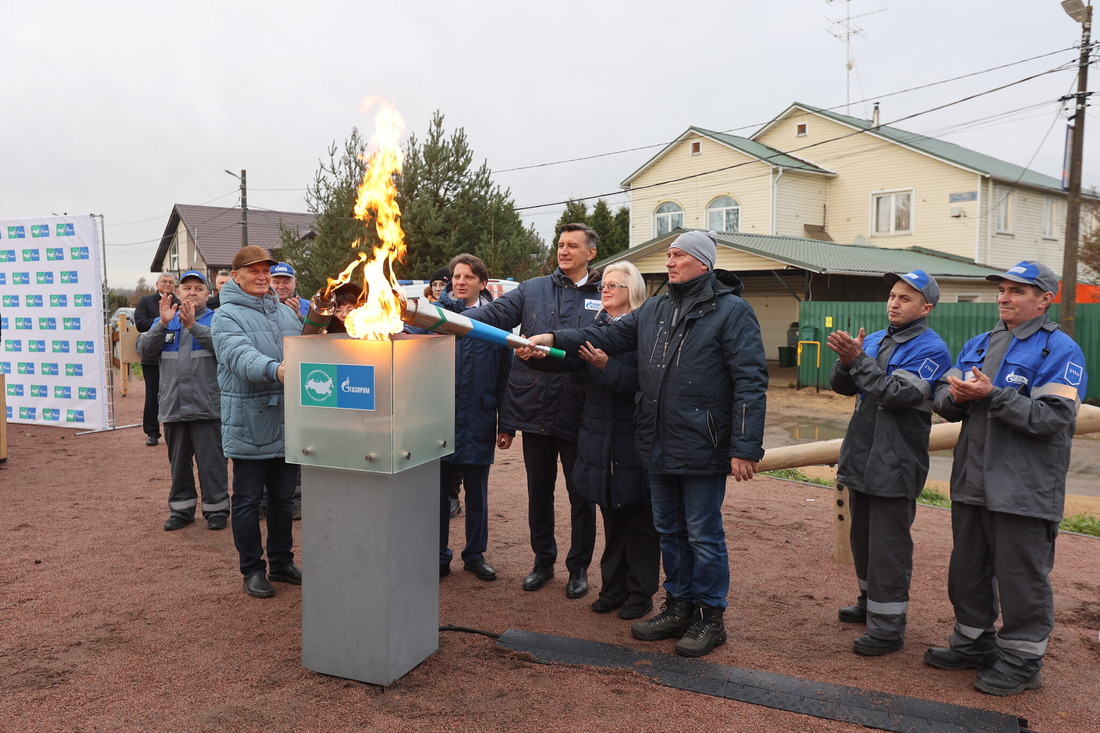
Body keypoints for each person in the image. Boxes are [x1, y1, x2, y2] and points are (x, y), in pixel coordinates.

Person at [525, 229, 767, 658]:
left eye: (677, 255)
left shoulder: (732, 312)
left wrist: (745, 446)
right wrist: (554, 340)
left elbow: (751, 381)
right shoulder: (655, 308)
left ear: (702, 262)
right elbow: (609, 337)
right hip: (655, 441)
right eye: (669, 256)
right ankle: (678, 605)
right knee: (670, 533)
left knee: (703, 536)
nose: (669, 262)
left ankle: (710, 618)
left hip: (702, 445)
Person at [926, 260, 1087, 696]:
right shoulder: (981, 342)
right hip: (973, 482)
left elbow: (1051, 418)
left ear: (1045, 300)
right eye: (1002, 289)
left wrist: (991, 395)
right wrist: (954, 396)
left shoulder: (1060, 351)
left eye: (1017, 290)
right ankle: (974, 644)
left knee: (1021, 576)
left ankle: (1022, 663)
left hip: (1023, 488)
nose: (1004, 297)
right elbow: (942, 395)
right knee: (968, 569)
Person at [464, 223, 603, 599]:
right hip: (535, 408)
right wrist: (446, 317)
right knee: (538, 493)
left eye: (573, 246)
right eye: (560, 244)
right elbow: (490, 318)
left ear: (590, 253)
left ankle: (578, 569)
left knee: (581, 495)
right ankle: (543, 563)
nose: (564, 251)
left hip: (580, 410)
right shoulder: (532, 288)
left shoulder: (604, 294)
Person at [827, 270, 951, 656]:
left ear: (925, 308)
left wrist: (858, 360)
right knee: (862, 541)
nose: (894, 303)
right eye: (893, 295)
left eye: (905, 298)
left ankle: (888, 629)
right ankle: (869, 606)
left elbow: (895, 393)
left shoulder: (933, 349)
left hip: (895, 462)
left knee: (889, 548)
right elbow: (842, 386)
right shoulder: (877, 338)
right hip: (861, 456)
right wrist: (847, 361)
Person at [211, 245, 304, 599]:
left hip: (286, 419)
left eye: (266, 270)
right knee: (248, 501)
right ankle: (252, 569)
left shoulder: (284, 313)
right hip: (250, 422)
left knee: (283, 500)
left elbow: (305, 348)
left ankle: (281, 562)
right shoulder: (226, 316)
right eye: (254, 271)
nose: (263, 277)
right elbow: (239, 356)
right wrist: (276, 369)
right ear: (235, 276)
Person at [572, 261, 660, 621]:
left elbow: (645, 383)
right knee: (611, 520)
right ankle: (612, 588)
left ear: (632, 291)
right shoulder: (594, 329)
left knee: (640, 523)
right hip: (600, 439)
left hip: (634, 440)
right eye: (603, 285)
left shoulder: (645, 331)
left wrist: (608, 367)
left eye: (614, 285)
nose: (604, 290)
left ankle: (640, 594)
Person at [434, 254, 513, 581]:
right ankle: (437, 555)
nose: (460, 281)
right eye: (456, 276)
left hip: (479, 417)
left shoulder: (495, 321)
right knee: (436, 494)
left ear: (483, 282)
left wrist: (506, 425)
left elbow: (505, 377)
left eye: (468, 276)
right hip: (438, 418)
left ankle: (474, 554)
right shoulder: (434, 317)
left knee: (477, 494)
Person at [136, 270, 229, 532]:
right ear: (177, 293)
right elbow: (143, 349)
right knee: (178, 464)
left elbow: (223, 348)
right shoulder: (165, 320)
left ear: (208, 295)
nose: (192, 292)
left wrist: (193, 327)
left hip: (208, 406)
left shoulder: (218, 319)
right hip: (173, 405)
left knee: (212, 463)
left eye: (198, 288)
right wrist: (162, 325)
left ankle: (217, 509)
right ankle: (181, 509)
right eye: (187, 288)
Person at [134, 273, 179, 447]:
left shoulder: (179, 301)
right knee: (152, 396)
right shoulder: (146, 301)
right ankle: (152, 432)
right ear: (157, 284)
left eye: (170, 282)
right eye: (164, 282)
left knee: (175, 394)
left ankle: (174, 432)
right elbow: (140, 324)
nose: (167, 284)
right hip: (152, 358)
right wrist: (162, 320)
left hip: (173, 356)